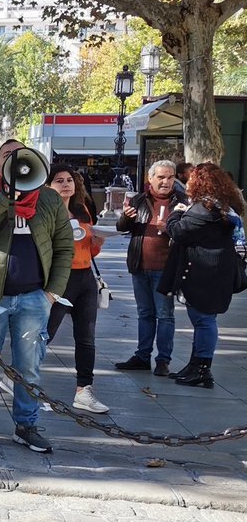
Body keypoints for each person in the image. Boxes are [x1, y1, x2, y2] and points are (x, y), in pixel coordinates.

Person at [0, 140, 73, 454]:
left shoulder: (48, 199)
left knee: (29, 367)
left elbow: (64, 247)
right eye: (8, 157)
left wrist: (53, 293)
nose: (15, 162)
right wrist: (5, 198)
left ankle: (26, 425)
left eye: (20, 156)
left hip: (34, 297)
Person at [158, 163, 246, 389]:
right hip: (216, 272)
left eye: (190, 180)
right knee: (204, 321)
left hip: (205, 273)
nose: (187, 183)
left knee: (204, 321)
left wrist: (175, 214)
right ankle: (195, 365)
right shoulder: (222, 207)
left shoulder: (204, 209)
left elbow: (178, 231)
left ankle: (202, 369)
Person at [43, 164, 109, 414]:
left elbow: (90, 251)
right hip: (60, 277)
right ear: (48, 185)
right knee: (45, 333)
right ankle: (17, 379)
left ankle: (84, 389)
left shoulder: (81, 210)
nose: (66, 184)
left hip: (85, 277)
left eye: (69, 180)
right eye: (59, 180)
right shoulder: (46, 210)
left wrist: (98, 241)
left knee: (86, 337)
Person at [115, 159, 184, 376]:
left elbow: (188, 233)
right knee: (144, 313)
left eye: (170, 177)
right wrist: (125, 218)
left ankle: (163, 360)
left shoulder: (182, 202)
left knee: (164, 315)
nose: (166, 181)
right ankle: (142, 356)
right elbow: (122, 228)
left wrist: (171, 228)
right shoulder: (139, 200)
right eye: (161, 177)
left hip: (165, 268)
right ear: (150, 179)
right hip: (140, 265)